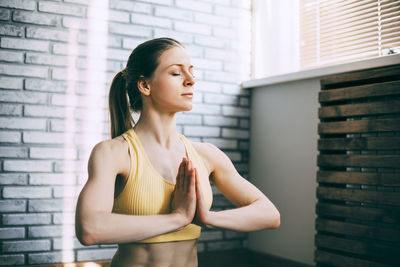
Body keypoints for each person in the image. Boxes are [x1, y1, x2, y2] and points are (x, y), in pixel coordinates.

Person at [75, 37, 280, 267]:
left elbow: (269, 214)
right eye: (176, 73)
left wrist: (208, 218)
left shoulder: (206, 155)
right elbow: (89, 229)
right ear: (145, 86)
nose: (191, 81)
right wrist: (177, 218)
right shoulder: (113, 153)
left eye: (192, 72)